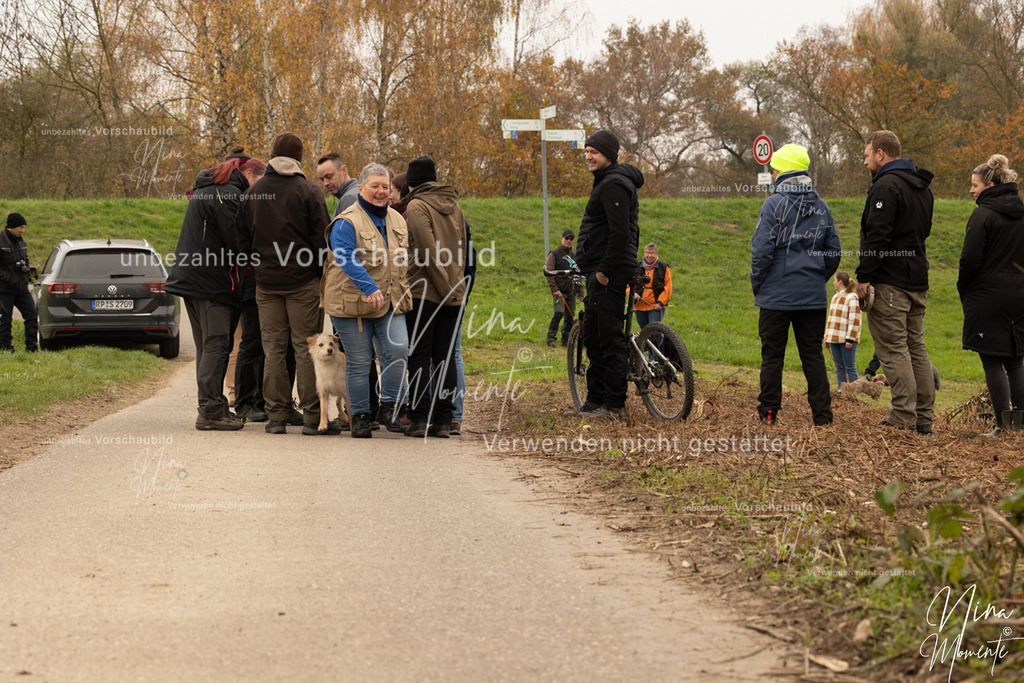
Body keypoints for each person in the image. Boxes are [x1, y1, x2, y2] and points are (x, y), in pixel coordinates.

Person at [236, 132, 331, 435]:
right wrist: (316, 273)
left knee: (273, 349)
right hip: (303, 282)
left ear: (273, 156)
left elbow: (241, 241)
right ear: (300, 158)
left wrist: (259, 266)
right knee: (306, 349)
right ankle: (311, 417)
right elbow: (322, 239)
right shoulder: (308, 190)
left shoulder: (254, 192)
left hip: (266, 284)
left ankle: (276, 416)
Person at [167, 157, 267, 430]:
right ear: (247, 173)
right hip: (212, 283)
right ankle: (210, 410)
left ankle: (213, 405)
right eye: (257, 183)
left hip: (195, 280)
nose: (256, 191)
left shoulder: (209, 189)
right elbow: (235, 241)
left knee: (207, 345)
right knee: (216, 344)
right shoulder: (228, 195)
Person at [750, 143, 840, 426]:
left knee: (772, 356)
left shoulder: (774, 204)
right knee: (812, 355)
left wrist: (759, 284)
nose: (773, 172)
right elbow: (833, 252)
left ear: (784, 171)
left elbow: (761, 251)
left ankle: (768, 414)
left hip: (776, 296)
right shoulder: (822, 207)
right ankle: (823, 417)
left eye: (776, 168)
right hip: (812, 296)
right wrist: (815, 278)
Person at [322, 163, 411, 438]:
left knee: (398, 351)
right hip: (351, 303)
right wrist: (368, 287)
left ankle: (389, 407)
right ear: (361, 188)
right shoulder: (346, 222)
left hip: (391, 300)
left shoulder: (398, 219)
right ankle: (359, 416)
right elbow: (345, 258)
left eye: (385, 186)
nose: (381, 191)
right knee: (360, 362)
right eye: (374, 186)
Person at [856, 130, 936, 434]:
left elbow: (877, 236)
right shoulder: (922, 188)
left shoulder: (886, 187)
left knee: (893, 348)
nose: (865, 162)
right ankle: (924, 417)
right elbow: (923, 233)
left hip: (891, 282)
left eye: (866, 155)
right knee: (916, 346)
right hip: (918, 279)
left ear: (881, 154)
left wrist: (865, 277)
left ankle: (903, 416)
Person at [566, 129, 644, 420]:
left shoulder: (613, 184)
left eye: (594, 152)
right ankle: (594, 402)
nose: (588, 157)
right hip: (598, 266)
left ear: (608, 155)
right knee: (595, 337)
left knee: (608, 338)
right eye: (586, 152)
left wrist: (603, 272)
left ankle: (613, 406)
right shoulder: (607, 182)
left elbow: (620, 232)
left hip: (608, 270)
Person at [958, 154, 1024, 436]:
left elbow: (970, 259)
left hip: (987, 295)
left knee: (991, 358)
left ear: (991, 184)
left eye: (974, 185)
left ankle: (1002, 425)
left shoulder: (982, 214)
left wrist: (965, 287)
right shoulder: (1022, 212)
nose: (971, 190)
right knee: (1016, 359)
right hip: (1019, 294)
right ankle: (1020, 426)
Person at [403, 156, 469, 438]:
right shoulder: (455, 206)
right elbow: (463, 251)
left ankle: (419, 419)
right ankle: (443, 420)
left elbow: (428, 252)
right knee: (445, 358)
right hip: (453, 292)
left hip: (425, 293)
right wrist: (456, 287)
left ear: (411, 183)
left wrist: (445, 289)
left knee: (419, 355)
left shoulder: (416, 206)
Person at [0, 212, 38, 353]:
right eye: (21, 227)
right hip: (4, 289)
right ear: (12, 227)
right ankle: (5, 348)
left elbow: (25, 261)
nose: (23, 230)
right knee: (5, 320)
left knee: (32, 315)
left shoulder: (22, 242)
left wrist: (28, 273)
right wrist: (10, 280)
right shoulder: (1, 242)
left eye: (24, 227)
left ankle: (32, 347)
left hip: (21, 288)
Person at [823, 272, 861, 389]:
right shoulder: (835, 297)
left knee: (850, 367)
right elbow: (831, 319)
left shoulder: (852, 297)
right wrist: (827, 337)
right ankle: (841, 391)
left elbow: (855, 319)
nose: (833, 282)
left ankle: (854, 393)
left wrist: (850, 338)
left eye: (835, 280)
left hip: (846, 340)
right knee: (839, 367)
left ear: (840, 282)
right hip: (834, 338)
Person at [544, 229, 579, 347]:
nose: (568, 241)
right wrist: (555, 290)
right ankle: (551, 338)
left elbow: (578, 275)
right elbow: (548, 273)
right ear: (561, 239)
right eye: (566, 238)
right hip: (559, 290)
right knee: (558, 313)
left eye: (571, 239)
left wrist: (580, 292)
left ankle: (566, 340)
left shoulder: (574, 256)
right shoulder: (554, 254)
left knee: (570, 316)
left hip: (571, 291)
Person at [634, 242, 672, 329]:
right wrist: (633, 294)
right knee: (644, 331)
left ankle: (662, 342)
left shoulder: (664, 268)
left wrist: (661, 302)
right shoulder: (636, 267)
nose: (649, 255)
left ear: (656, 254)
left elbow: (668, 287)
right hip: (639, 306)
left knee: (656, 331)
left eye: (652, 253)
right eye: (647, 253)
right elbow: (629, 284)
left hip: (655, 307)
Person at [316, 153, 359, 219]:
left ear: (344, 170)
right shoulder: (356, 192)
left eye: (329, 177)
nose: (325, 183)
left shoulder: (349, 199)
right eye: (322, 179)